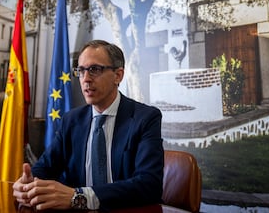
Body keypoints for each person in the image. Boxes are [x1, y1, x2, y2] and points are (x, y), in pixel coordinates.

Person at [13, 40, 164, 211]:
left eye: (94, 69)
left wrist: (79, 197)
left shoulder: (145, 118)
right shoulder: (71, 120)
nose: (85, 79)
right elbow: (46, 168)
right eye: (81, 70)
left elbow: (149, 185)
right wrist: (28, 184)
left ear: (118, 75)